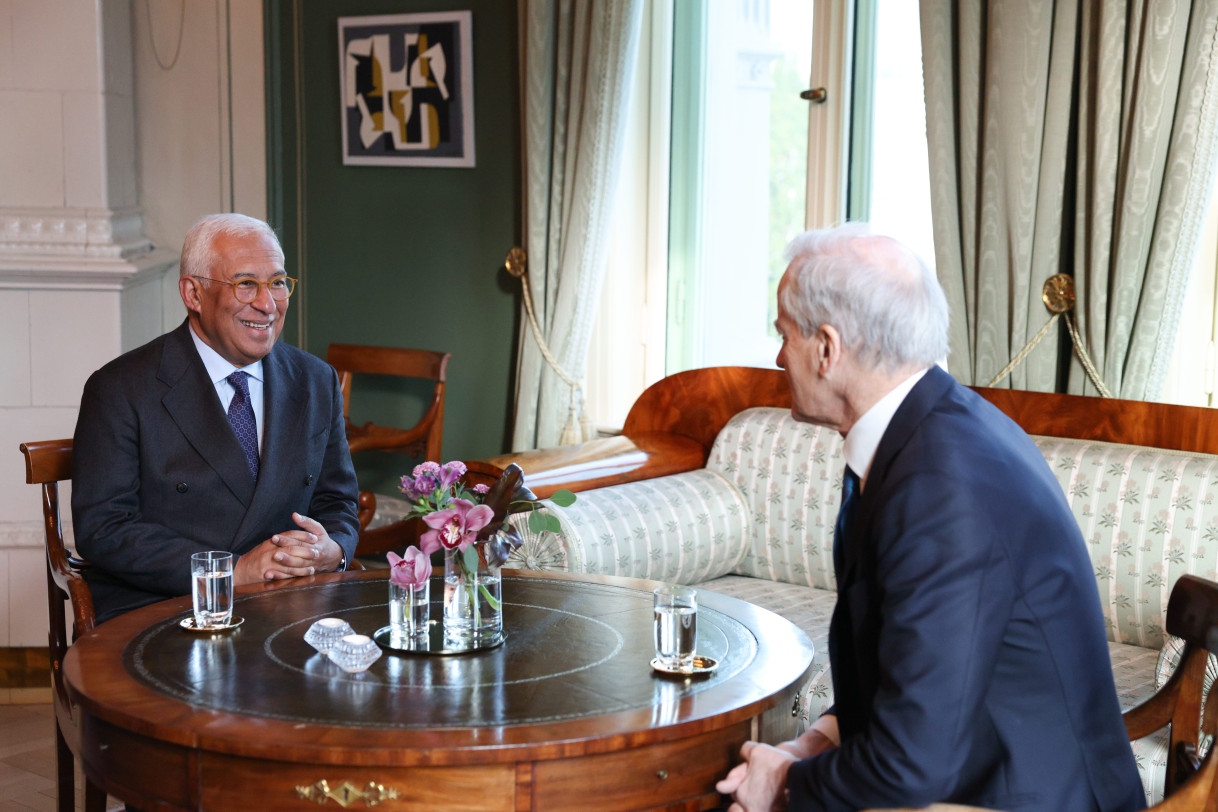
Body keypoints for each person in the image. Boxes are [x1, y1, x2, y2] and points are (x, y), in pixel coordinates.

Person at [716, 224, 1145, 811]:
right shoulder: (931, 428)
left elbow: (913, 768)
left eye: (783, 335)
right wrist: (813, 744)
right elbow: (916, 675)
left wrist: (785, 785)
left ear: (827, 349)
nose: (776, 356)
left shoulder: (942, 486)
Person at [72, 213, 360, 624]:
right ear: (193, 293)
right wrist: (232, 571)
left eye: (277, 282)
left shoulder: (315, 379)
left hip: (289, 603)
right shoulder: (121, 388)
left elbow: (338, 501)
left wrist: (333, 550)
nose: (267, 304)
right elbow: (104, 528)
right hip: (164, 604)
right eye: (246, 284)